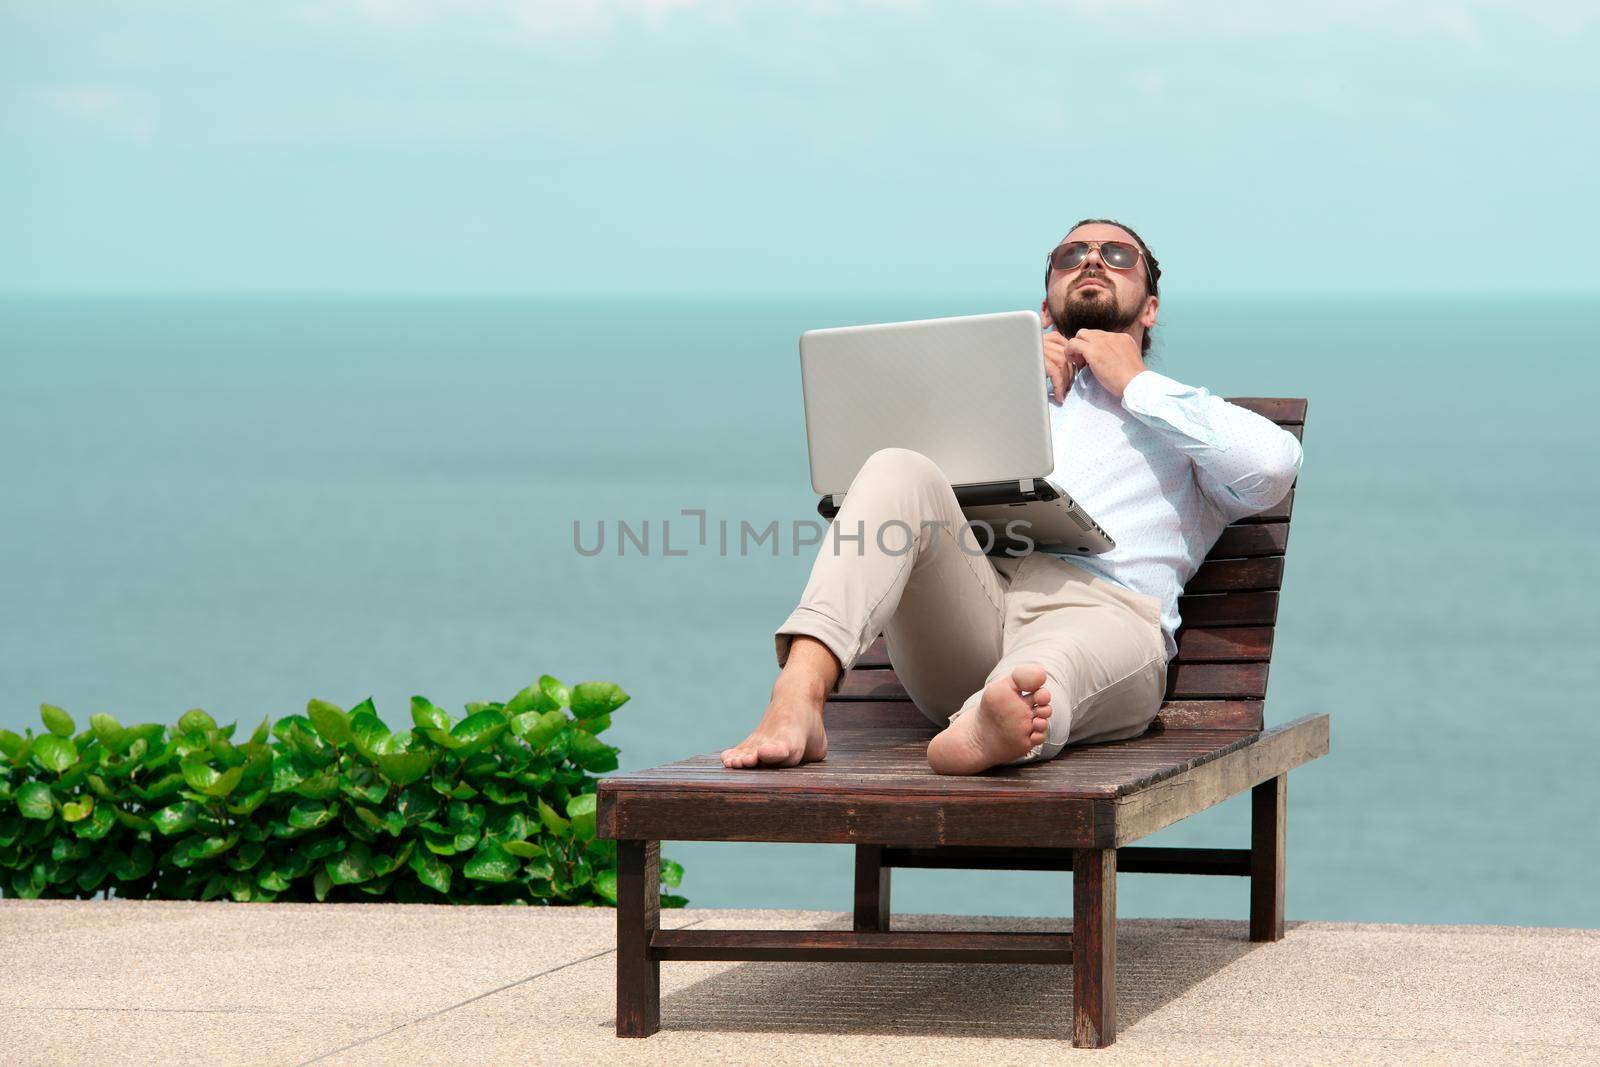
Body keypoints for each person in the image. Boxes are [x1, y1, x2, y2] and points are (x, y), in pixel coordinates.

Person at [720, 219, 1304, 775]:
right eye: (1070, 256)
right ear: (1046, 307)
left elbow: (1272, 465)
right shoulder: (988, 400)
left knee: (1046, 670)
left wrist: (1135, 384)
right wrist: (1008, 378)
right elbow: (890, 500)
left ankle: (995, 722)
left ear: (1151, 308)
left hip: (1101, 613)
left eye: (1118, 255)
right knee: (896, 465)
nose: (1093, 259)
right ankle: (798, 696)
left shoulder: (1181, 418)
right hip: (973, 604)